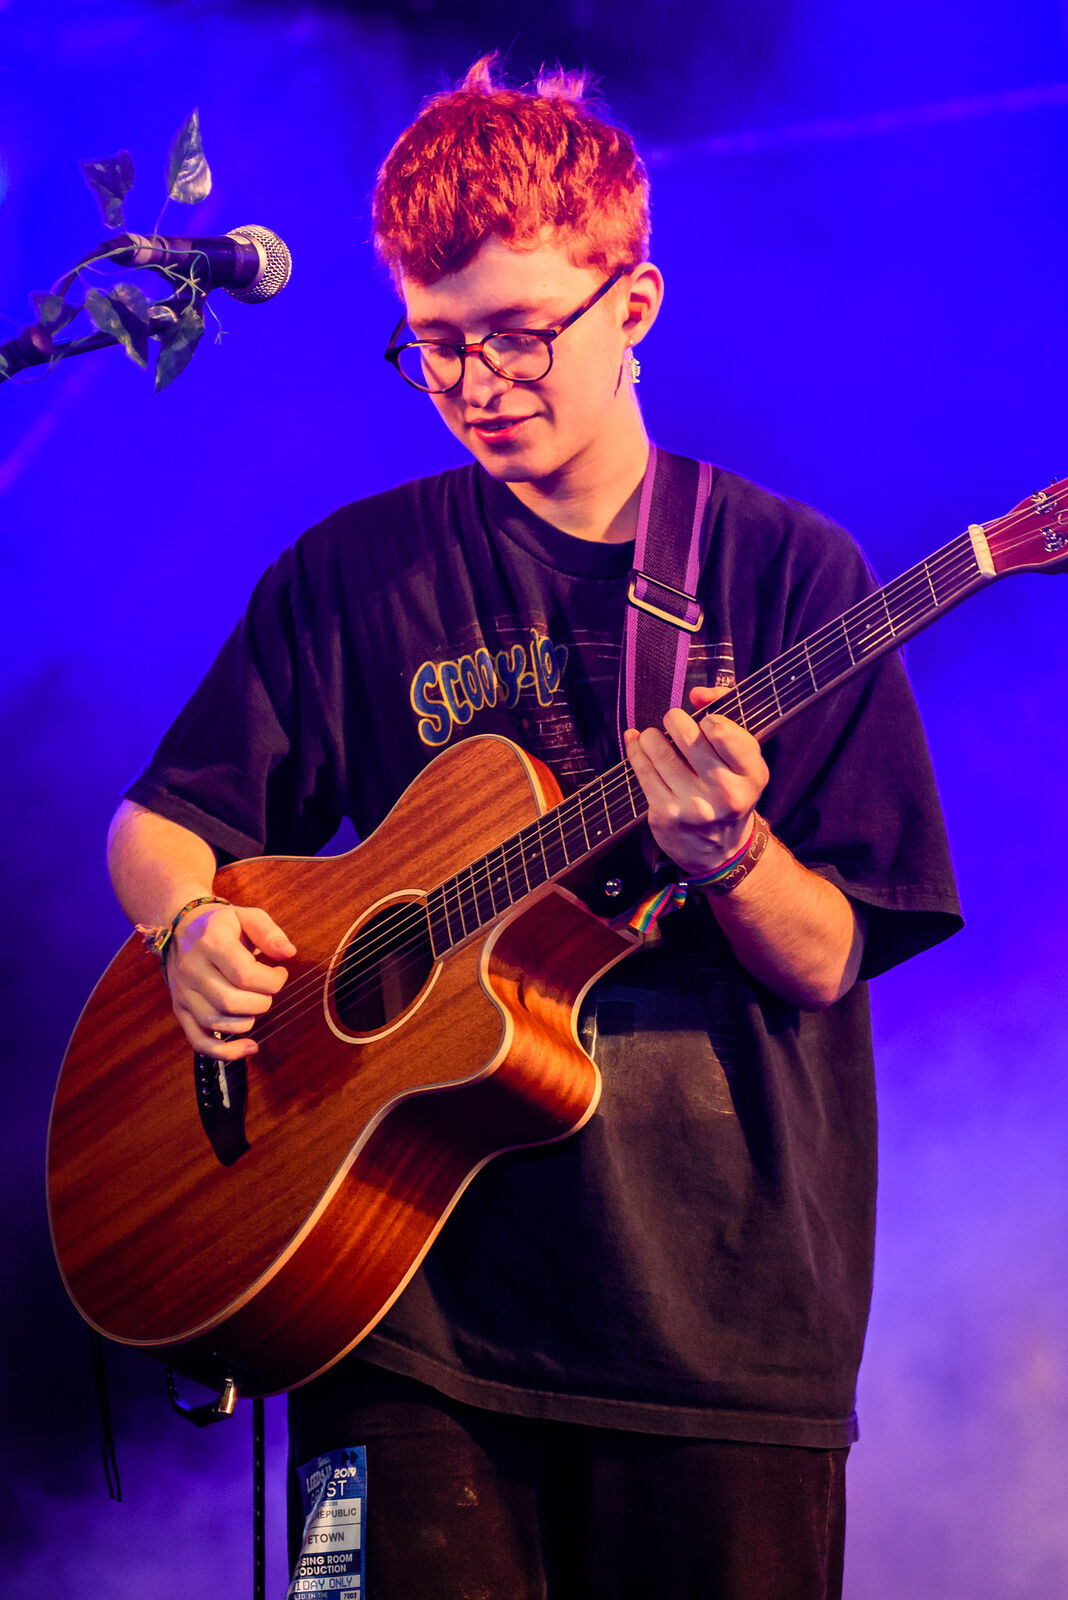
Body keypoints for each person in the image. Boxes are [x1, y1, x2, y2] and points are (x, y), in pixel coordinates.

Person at [107, 57, 961, 1600]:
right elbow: (161, 824)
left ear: (632, 303)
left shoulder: (789, 576)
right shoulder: (352, 575)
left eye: (517, 335)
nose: (478, 384)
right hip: (390, 1299)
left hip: (714, 1329)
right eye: (435, 347)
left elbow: (835, 952)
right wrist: (188, 928)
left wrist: (734, 858)